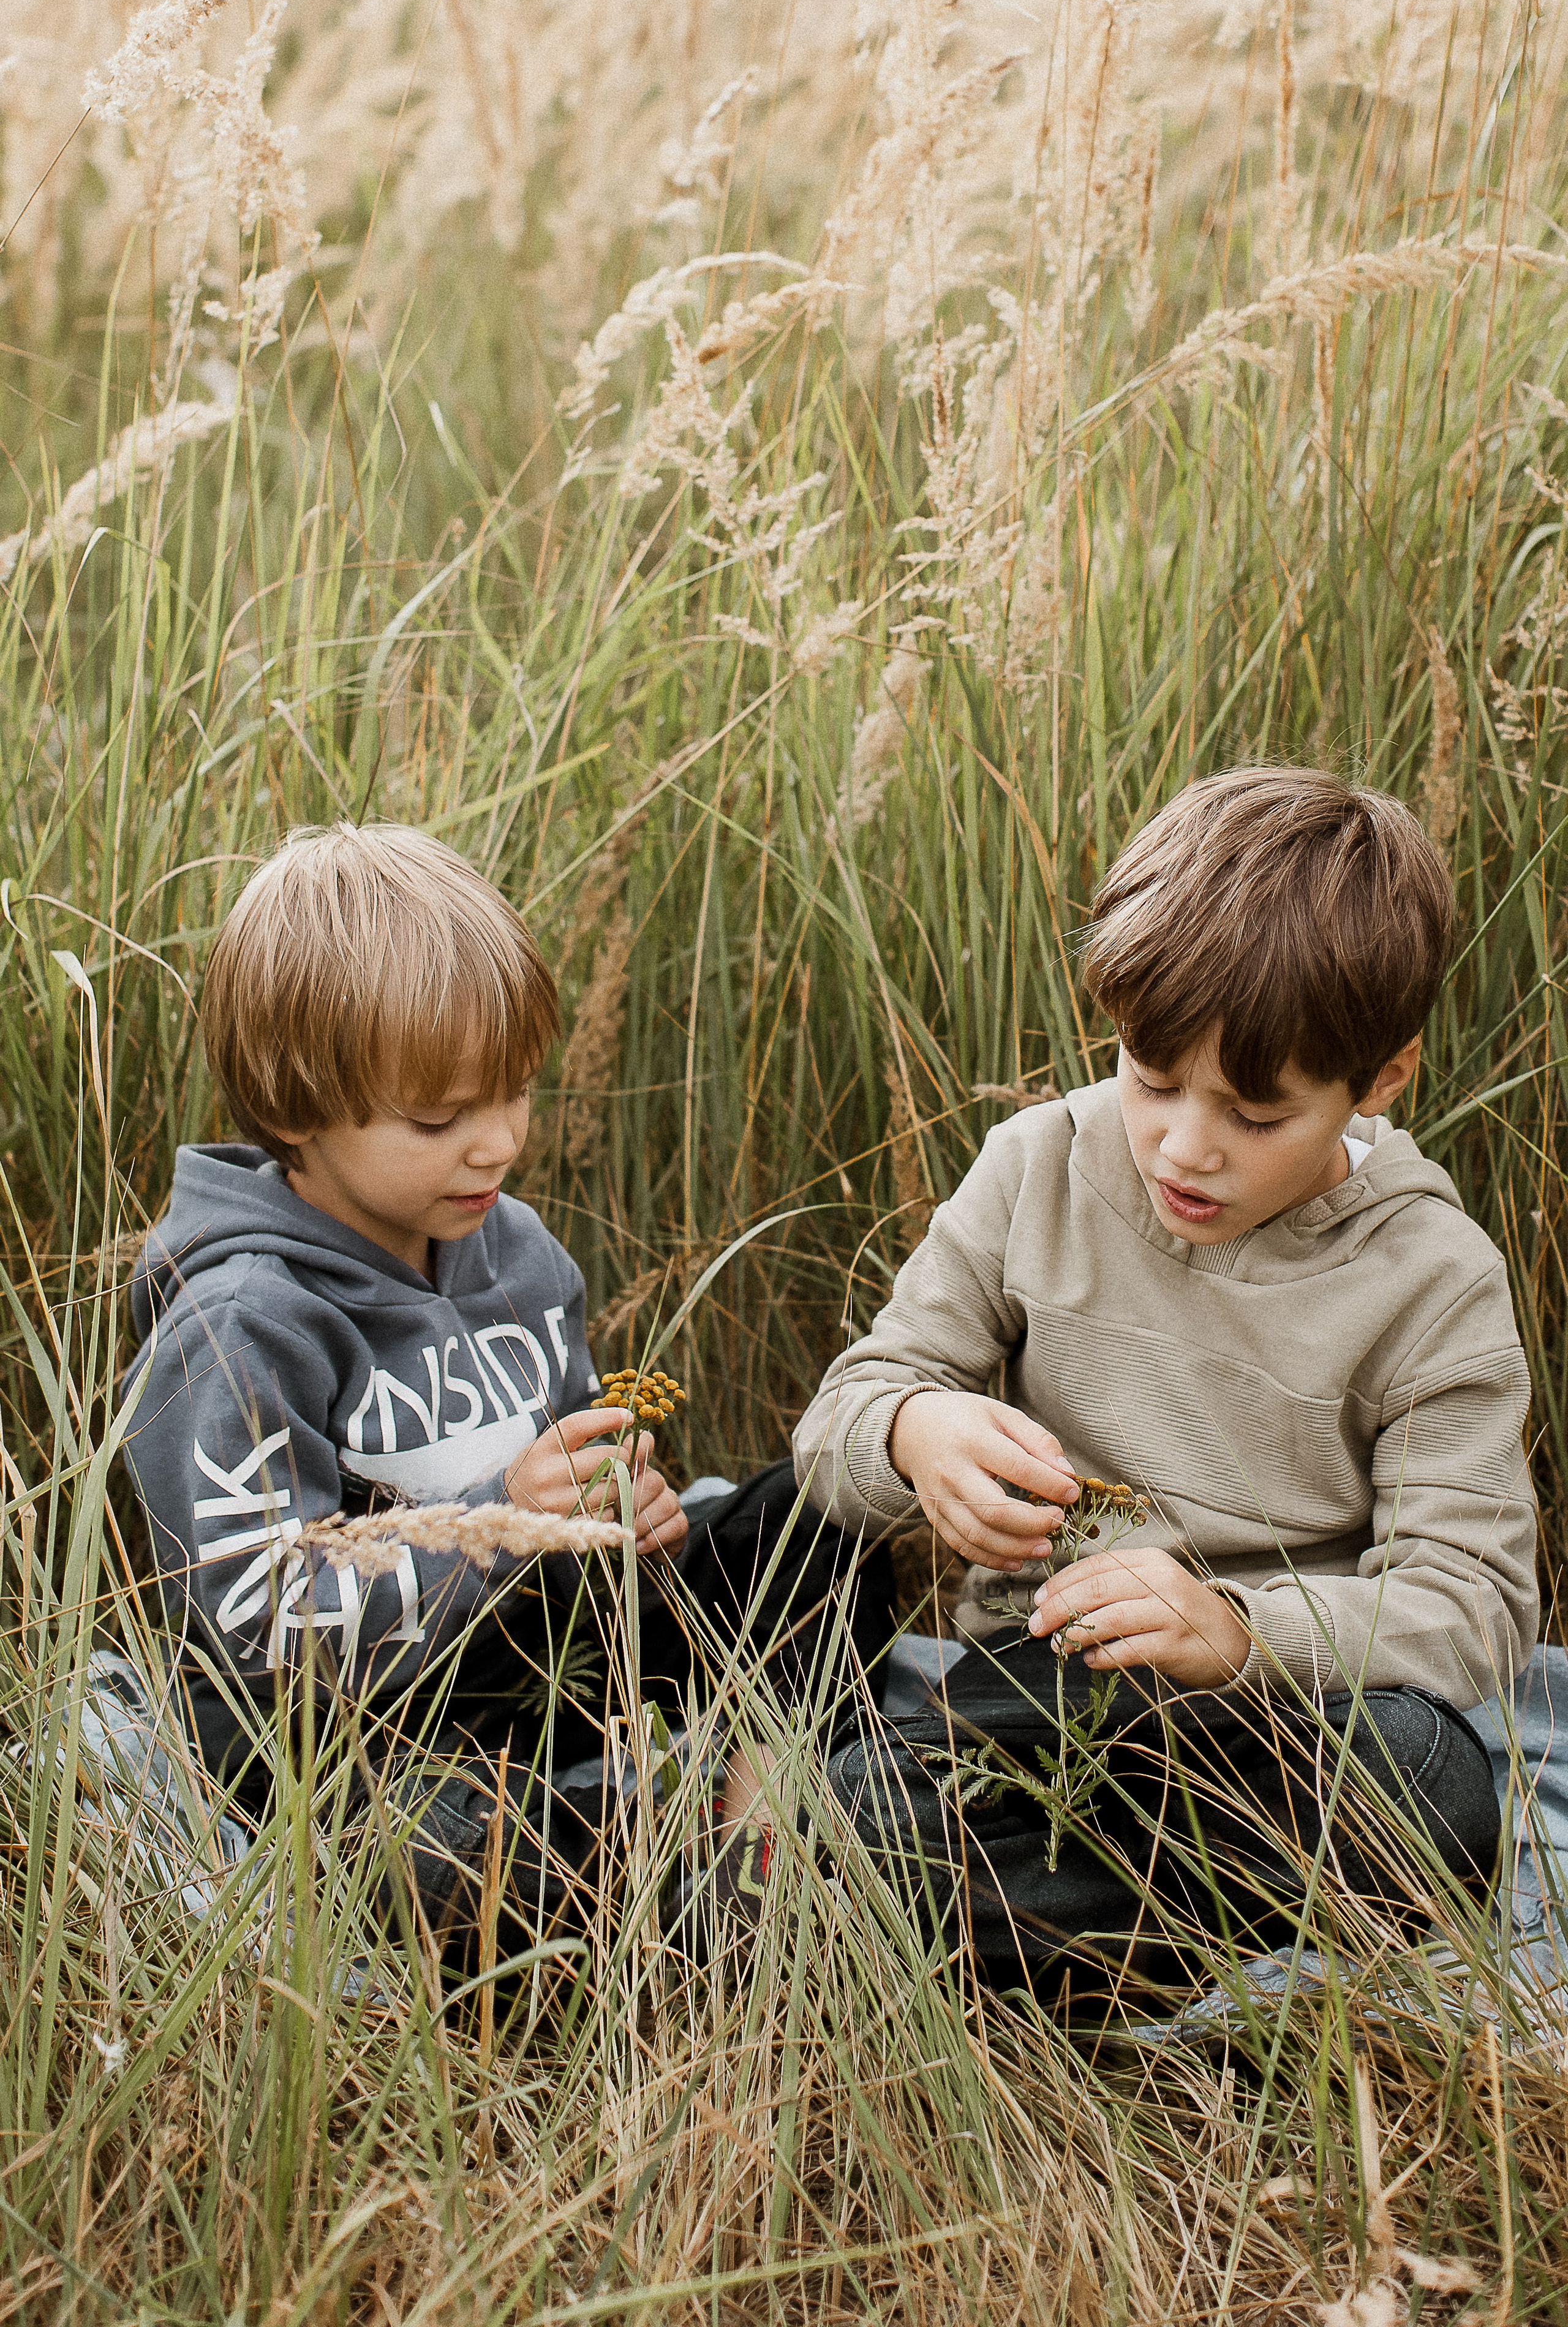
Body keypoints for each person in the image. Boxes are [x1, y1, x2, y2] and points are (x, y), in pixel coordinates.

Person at [794, 767, 1539, 1983]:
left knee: (1432, 1785)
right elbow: (839, 1422)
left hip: (1286, 1722)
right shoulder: (1033, 1166)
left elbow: (1473, 1609)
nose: (1184, 1148)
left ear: (1380, 1080)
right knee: (864, 1802)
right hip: (1049, 1692)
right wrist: (915, 1432)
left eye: (1254, 1114)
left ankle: (1003, 1930)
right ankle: (1027, 1919)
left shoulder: (1430, 1277)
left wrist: (1239, 1635)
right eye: (1149, 1080)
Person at [123, 821, 892, 1950]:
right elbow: (254, 1646)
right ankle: (643, 1868)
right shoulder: (239, 1327)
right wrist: (497, 1528)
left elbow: (572, 1483)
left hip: (547, 1653)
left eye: (514, 1095)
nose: (497, 1147)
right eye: (438, 1121)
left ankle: (748, 1844)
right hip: (368, 1737)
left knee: (817, 1524)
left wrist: (630, 1514)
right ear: (295, 1113)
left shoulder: (515, 1248)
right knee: (439, 1859)